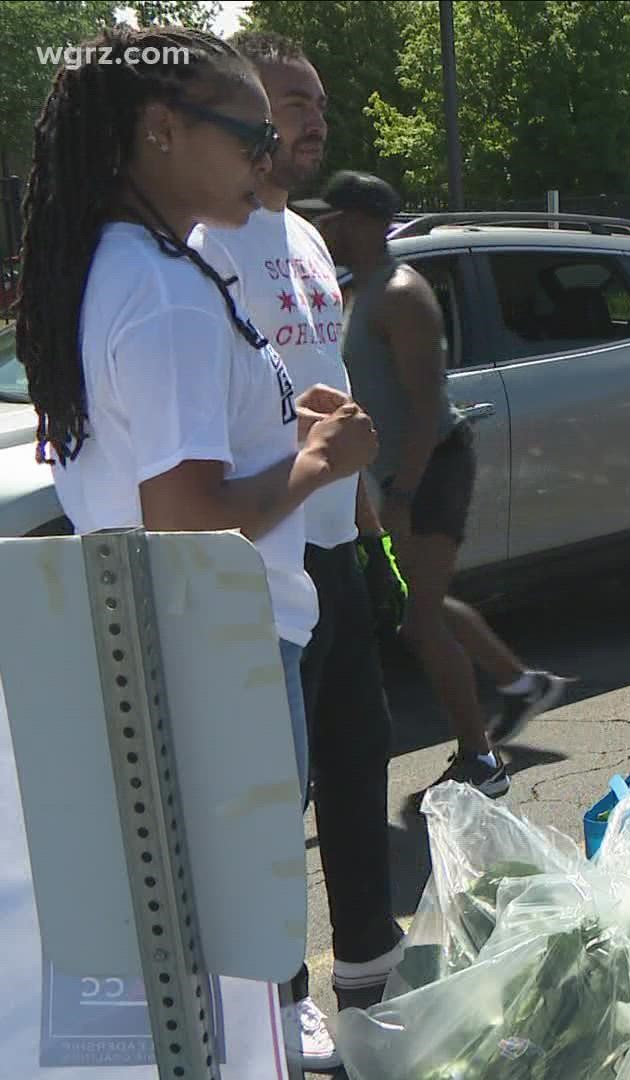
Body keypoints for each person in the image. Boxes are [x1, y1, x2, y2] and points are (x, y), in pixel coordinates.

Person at [12, 27, 378, 1072]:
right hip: (218, 649)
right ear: (161, 134)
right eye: (247, 131)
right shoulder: (167, 290)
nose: (267, 154)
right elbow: (185, 514)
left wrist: (279, 426)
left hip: (171, 644)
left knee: (186, 946)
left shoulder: (129, 264)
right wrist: (318, 460)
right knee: (231, 952)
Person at [188, 30, 408, 1059]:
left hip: (335, 544)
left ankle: (369, 968)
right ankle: (278, 1000)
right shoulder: (207, 240)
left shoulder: (311, 241)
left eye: (319, 100)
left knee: (363, 769)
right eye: (292, 100)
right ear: (237, 110)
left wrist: (360, 508)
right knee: (274, 803)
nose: (314, 117)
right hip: (258, 559)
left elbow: (320, 373)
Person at [302, 170, 570, 796]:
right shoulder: (353, 290)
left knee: (418, 618)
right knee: (421, 601)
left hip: (432, 468)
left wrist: (398, 496)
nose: (324, 229)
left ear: (364, 223)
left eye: (335, 218)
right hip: (390, 472)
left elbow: (426, 408)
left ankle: (480, 760)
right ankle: (520, 683)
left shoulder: (401, 294)